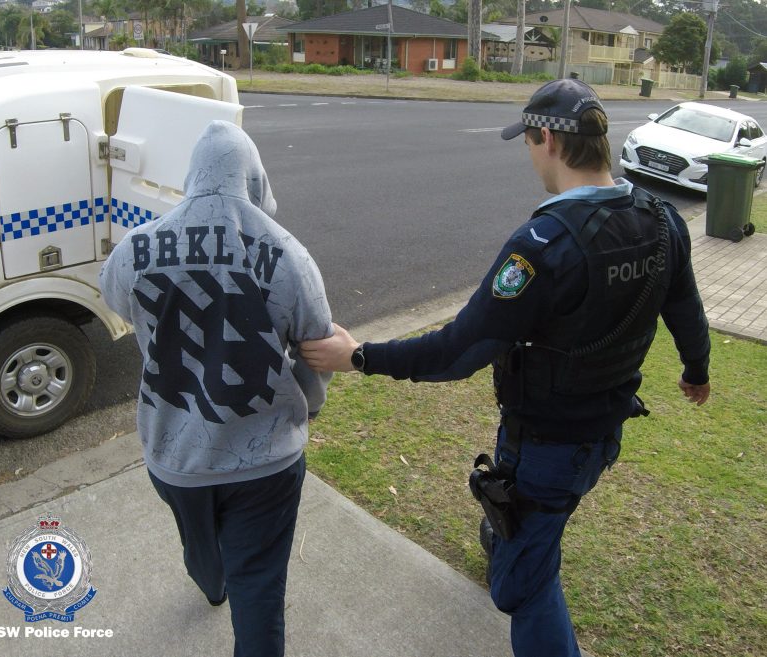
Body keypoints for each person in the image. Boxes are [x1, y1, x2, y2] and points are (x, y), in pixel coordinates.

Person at [299, 78, 710, 657]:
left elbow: (459, 351)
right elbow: (686, 308)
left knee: (522, 587)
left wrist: (359, 356)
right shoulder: (663, 221)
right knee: (526, 521)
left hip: (547, 445)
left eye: (527, 141)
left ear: (546, 138)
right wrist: (697, 370)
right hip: (602, 431)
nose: (529, 154)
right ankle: (508, 533)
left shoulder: (543, 245)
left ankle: (516, 548)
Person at [99, 120, 333, 657]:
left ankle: (210, 583)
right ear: (250, 175)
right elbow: (316, 346)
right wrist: (309, 406)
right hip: (264, 463)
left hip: (172, 454)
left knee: (198, 540)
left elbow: (115, 298)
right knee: (261, 588)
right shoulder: (288, 253)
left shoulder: (137, 246)